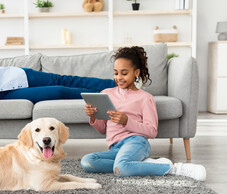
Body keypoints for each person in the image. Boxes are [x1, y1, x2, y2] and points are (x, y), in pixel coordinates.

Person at [80, 46, 206, 181]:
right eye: (116, 73)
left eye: (124, 73)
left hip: (136, 142)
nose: (119, 78)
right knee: (87, 162)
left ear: (136, 72)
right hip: (115, 147)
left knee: (121, 169)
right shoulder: (106, 93)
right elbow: (102, 130)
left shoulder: (145, 98)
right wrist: (93, 116)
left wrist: (126, 121)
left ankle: (174, 169)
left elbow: (152, 131)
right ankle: (135, 165)